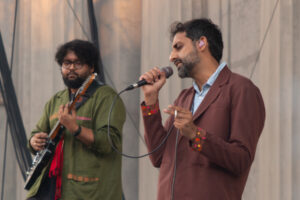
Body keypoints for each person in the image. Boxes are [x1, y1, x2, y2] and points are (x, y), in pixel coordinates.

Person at [139, 18, 265, 200]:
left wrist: (196, 135)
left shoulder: (240, 89)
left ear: (202, 43)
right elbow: (158, 157)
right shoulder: (184, 97)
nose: (171, 57)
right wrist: (151, 101)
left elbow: (241, 160)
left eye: (178, 47)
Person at [26, 39, 125, 200]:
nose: (71, 68)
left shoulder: (106, 97)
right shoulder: (56, 100)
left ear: (91, 67)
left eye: (78, 63)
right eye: (66, 63)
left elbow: (110, 142)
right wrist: (33, 141)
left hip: (89, 193)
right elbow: (37, 132)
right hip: (49, 189)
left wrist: (75, 128)